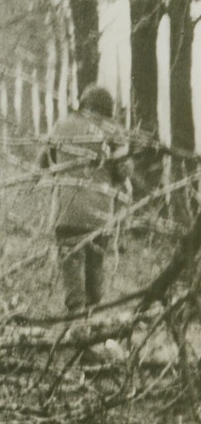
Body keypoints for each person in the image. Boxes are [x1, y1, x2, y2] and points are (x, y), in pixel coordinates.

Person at [39, 84, 131, 313]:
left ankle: (77, 320)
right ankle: (93, 320)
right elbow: (123, 171)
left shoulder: (62, 124)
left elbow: (43, 162)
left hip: (66, 212)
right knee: (95, 269)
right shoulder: (112, 131)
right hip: (100, 215)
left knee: (72, 270)